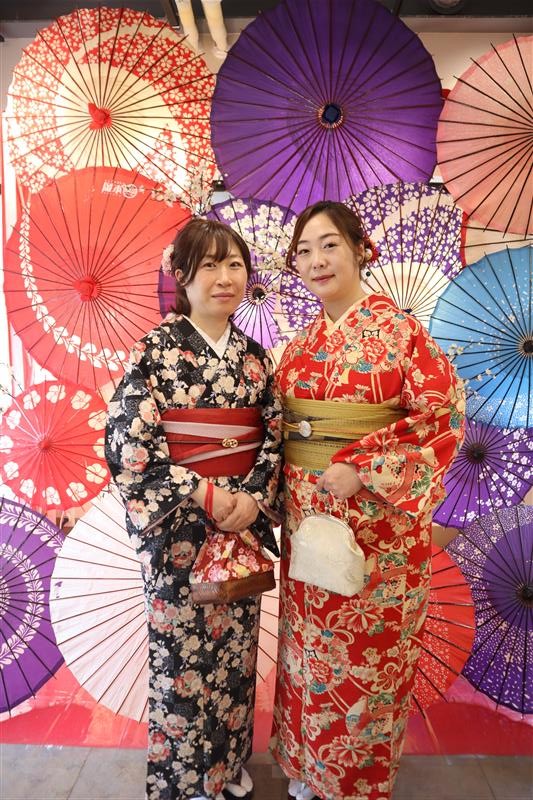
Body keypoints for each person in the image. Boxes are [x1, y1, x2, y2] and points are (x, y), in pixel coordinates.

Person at [270, 201, 465, 800]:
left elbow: (443, 415)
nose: (316, 260)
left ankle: (354, 779)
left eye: (329, 245)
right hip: (309, 520)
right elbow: (282, 429)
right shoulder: (299, 346)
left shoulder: (401, 332)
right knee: (310, 649)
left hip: (381, 533)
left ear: (360, 250)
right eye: (304, 250)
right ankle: (309, 765)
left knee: (368, 657)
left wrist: (366, 465)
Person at [105, 218, 282, 800]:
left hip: (240, 527)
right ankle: (183, 778)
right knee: (179, 653)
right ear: (180, 274)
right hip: (178, 529)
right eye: (209, 265)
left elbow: (273, 437)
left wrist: (253, 497)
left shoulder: (256, 359)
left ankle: (226, 766)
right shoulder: (153, 351)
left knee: (236, 649)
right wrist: (203, 491)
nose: (224, 277)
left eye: (234, 264)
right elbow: (129, 443)